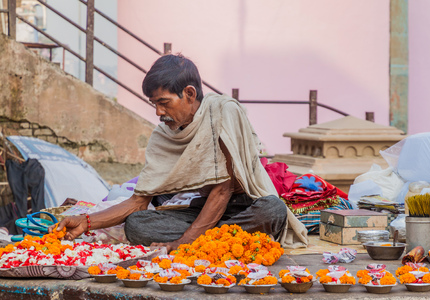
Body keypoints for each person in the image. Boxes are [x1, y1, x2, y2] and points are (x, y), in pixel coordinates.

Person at [51, 54, 307, 252]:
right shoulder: (163, 136)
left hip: (244, 206)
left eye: (164, 102)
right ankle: (223, 240)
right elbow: (138, 202)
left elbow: (223, 190)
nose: (158, 113)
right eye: (155, 104)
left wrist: (187, 240)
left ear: (189, 93)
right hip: (202, 210)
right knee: (137, 225)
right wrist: (86, 221)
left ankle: (206, 241)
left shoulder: (222, 112)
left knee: (273, 210)